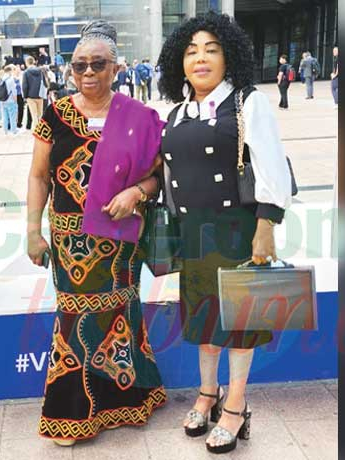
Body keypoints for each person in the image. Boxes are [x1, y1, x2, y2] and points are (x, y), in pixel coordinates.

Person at [26, 19, 167, 446]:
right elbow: (38, 177)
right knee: (74, 316)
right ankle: (70, 412)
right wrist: (32, 230)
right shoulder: (56, 116)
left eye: (98, 64)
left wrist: (136, 193)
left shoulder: (139, 118)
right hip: (70, 244)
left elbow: (158, 177)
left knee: (122, 312)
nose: (88, 73)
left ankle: (126, 403)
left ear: (116, 68)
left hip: (121, 241)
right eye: (79, 66)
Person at [156, 12, 292, 454]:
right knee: (203, 319)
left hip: (237, 229)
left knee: (239, 322)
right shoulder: (176, 113)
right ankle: (207, 392)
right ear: (179, 60)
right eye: (192, 51)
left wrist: (266, 225)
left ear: (228, 56)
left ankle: (235, 405)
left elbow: (271, 166)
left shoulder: (247, 103)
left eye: (211, 50)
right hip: (192, 232)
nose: (200, 58)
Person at [21, 55, 46, 133]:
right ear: (34, 62)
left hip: (30, 96)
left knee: (34, 115)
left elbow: (25, 85)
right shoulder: (40, 71)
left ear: (26, 63)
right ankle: (42, 130)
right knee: (40, 114)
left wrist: (25, 96)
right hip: (40, 95)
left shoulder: (26, 72)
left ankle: (36, 131)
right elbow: (45, 83)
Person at [0, 66, 20, 136]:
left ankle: (5, 131)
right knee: (12, 116)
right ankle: (14, 131)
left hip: (2, 101)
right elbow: (14, 92)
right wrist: (16, 101)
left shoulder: (1, 79)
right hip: (10, 100)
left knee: (5, 116)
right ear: (10, 71)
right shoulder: (10, 79)